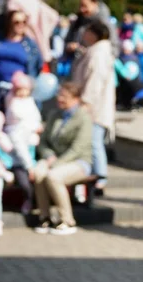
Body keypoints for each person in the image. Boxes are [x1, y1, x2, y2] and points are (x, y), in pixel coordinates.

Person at [30, 80, 92, 235]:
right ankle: (45, 217)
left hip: (78, 162)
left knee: (53, 177)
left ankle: (67, 221)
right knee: (38, 173)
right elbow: (43, 141)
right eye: (59, 95)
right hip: (53, 158)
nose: (60, 99)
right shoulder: (54, 115)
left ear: (76, 99)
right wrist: (49, 155)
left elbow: (78, 148)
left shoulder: (83, 118)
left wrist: (56, 163)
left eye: (65, 96)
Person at [73, 16, 114, 193]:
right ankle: (97, 175)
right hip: (94, 104)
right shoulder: (96, 51)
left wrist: (86, 102)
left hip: (94, 107)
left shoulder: (98, 53)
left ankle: (100, 177)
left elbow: (95, 81)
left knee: (94, 141)